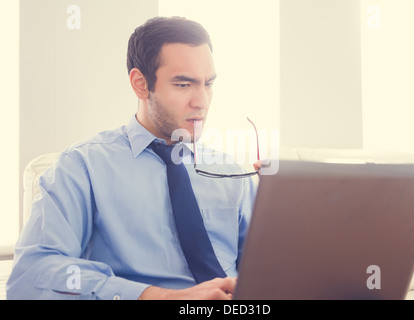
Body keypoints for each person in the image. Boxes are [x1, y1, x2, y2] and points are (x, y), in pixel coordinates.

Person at [7, 16, 259, 300]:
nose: (201, 101)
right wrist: (161, 297)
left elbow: (269, 268)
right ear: (141, 84)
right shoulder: (83, 167)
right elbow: (31, 274)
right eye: (184, 85)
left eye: (208, 84)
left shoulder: (231, 173)